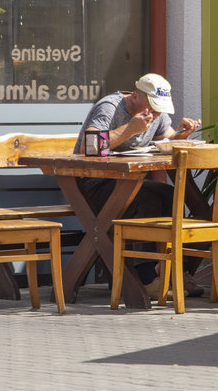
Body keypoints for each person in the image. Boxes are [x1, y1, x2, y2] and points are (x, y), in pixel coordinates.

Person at [74, 73, 204, 298]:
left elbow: (167, 141)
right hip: (93, 186)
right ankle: (145, 278)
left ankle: (174, 272)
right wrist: (130, 129)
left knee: (170, 195)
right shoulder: (110, 107)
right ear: (134, 96)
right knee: (147, 198)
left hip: (128, 183)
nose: (155, 114)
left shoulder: (157, 115)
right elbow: (90, 146)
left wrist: (182, 134)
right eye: (152, 107)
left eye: (159, 108)